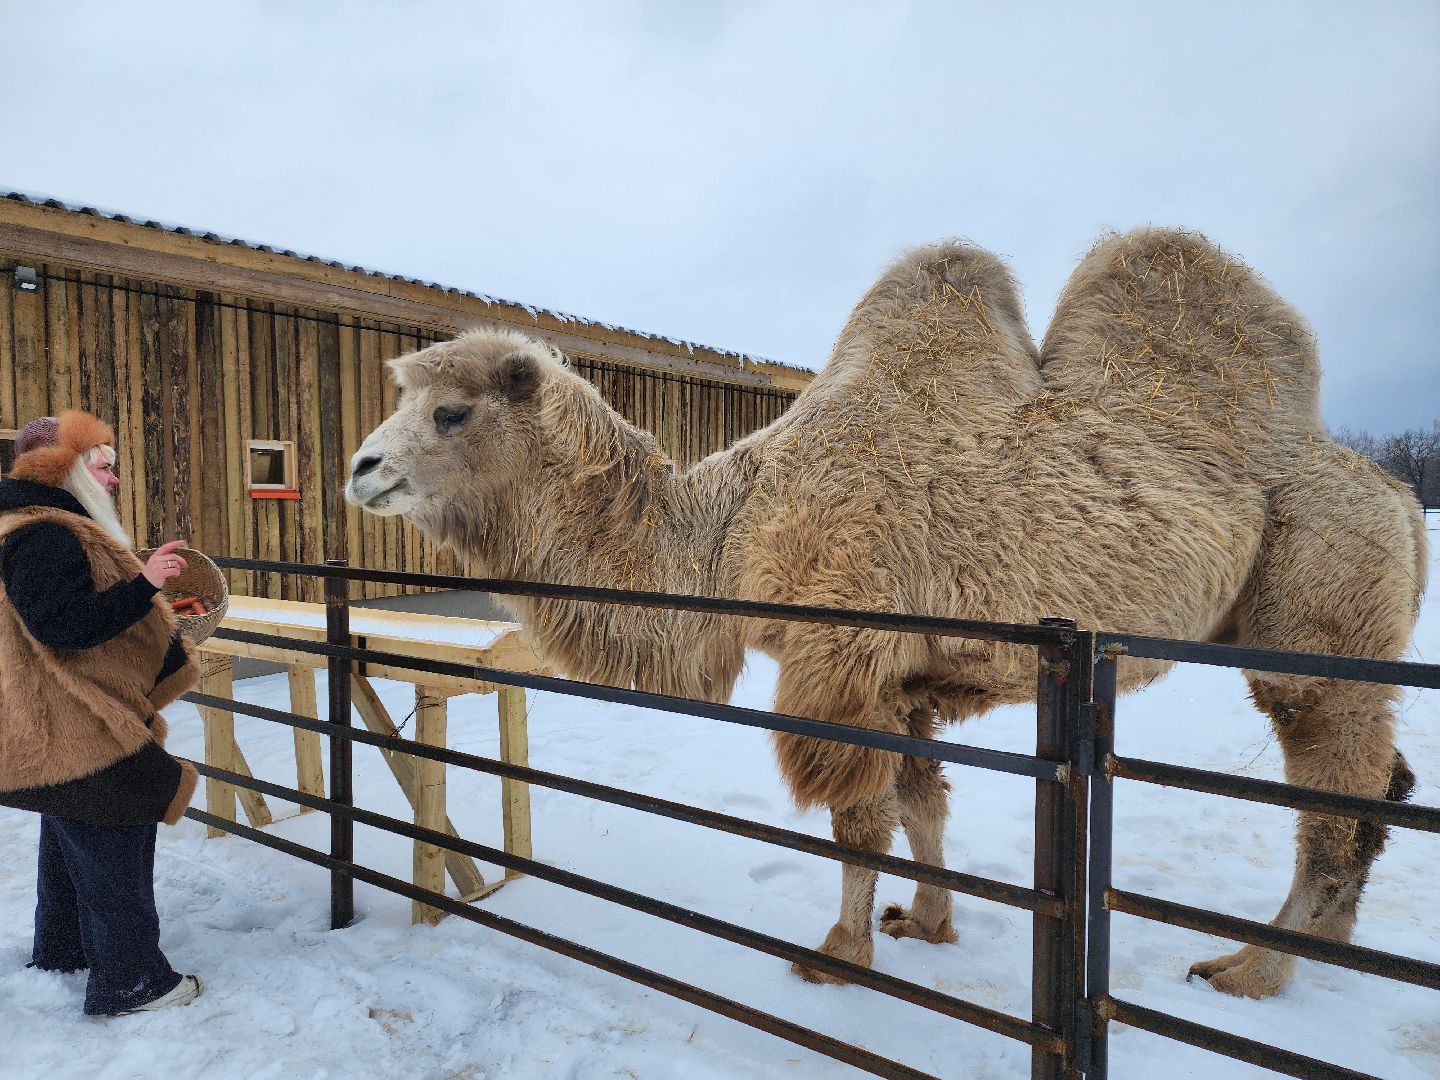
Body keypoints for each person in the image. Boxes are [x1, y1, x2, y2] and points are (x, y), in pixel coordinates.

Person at [0, 410, 204, 1016]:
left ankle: (63, 949)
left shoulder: (31, 525)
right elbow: (63, 627)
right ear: (64, 469)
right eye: (103, 466)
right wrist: (144, 584)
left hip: (51, 717)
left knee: (71, 829)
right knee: (116, 831)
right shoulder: (43, 534)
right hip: (78, 720)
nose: (113, 479)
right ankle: (130, 981)